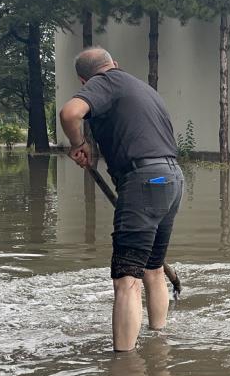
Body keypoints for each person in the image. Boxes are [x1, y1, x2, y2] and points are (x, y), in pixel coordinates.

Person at [59, 48, 184, 352]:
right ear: (115, 62)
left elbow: (70, 113)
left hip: (144, 181)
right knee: (152, 269)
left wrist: (79, 143)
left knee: (126, 279)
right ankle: (158, 343)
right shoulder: (143, 88)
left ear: (83, 79)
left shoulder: (105, 82)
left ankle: (124, 368)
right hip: (173, 178)